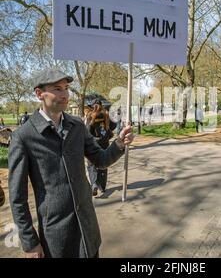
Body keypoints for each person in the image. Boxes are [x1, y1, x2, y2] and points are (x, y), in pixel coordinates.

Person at [8, 68, 134, 258]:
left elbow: (100, 160)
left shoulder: (77, 126)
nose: (65, 94)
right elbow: (17, 197)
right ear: (39, 94)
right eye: (57, 89)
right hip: (57, 237)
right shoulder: (23, 136)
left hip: (88, 230)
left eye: (66, 88)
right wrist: (30, 242)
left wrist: (118, 144)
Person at [85, 99, 112, 196]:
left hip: (93, 145)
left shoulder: (90, 116)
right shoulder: (106, 115)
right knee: (103, 165)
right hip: (104, 144)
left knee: (91, 165)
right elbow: (111, 129)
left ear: (92, 106)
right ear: (101, 105)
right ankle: (102, 187)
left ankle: (94, 184)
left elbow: (87, 131)